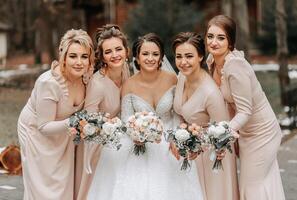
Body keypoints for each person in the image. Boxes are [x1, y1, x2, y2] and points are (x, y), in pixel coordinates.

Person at [87, 33, 203, 200]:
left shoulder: (172, 79)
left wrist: (176, 138)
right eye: (145, 54)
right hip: (140, 144)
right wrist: (137, 135)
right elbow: (127, 120)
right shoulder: (129, 84)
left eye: (155, 54)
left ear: (161, 57)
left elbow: (177, 112)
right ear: (137, 57)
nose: (150, 58)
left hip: (169, 140)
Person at [205, 15, 285, 200]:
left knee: (252, 187)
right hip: (245, 133)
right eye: (210, 36)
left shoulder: (235, 67)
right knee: (262, 183)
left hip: (262, 132)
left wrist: (223, 132)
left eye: (221, 37)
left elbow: (245, 111)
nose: (214, 42)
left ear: (231, 41)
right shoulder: (212, 62)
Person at [17, 29, 94, 200]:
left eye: (84, 56)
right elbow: (43, 126)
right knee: (43, 186)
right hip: (36, 132)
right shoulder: (49, 83)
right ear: (63, 57)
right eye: (73, 56)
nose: (79, 62)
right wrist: (75, 122)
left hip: (63, 132)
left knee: (63, 183)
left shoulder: (86, 78)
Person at [172, 32, 239, 200]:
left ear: (200, 56)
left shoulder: (210, 93)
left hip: (212, 156)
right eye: (178, 56)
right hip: (190, 152)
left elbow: (222, 134)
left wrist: (198, 146)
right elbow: (181, 114)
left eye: (189, 56)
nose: (183, 62)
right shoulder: (181, 77)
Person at [75, 24, 131, 200]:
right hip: (98, 144)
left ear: (126, 51)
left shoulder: (126, 70)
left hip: (121, 138)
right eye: (108, 52)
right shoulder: (97, 84)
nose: (115, 55)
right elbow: (88, 122)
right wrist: (108, 126)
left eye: (118, 49)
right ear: (103, 56)